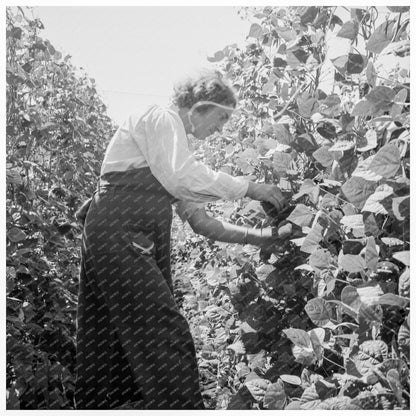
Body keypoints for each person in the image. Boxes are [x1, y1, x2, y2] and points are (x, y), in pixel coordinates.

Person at [74, 72, 287, 410]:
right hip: (118, 230)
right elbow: (182, 176)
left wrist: (263, 237)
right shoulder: (161, 119)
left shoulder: (171, 153)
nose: (221, 128)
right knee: (164, 332)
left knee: (115, 335)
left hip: (124, 234)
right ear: (200, 106)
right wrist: (251, 187)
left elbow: (202, 222)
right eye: (222, 118)